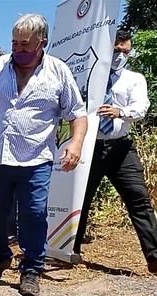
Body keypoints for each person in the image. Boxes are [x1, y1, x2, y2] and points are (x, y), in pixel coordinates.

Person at [0, 14, 88, 296]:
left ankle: (32, 270)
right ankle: (1, 256)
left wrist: (76, 142)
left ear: (42, 42)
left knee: (34, 214)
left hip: (36, 159)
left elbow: (78, 113)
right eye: (14, 43)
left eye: (25, 45)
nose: (18, 50)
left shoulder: (58, 71)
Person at [74, 31, 157, 273]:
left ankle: (154, 255)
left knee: (139, 199)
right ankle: (70, 251)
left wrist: (120, 112)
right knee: (81, 199)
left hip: (121, 148)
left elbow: (141, 107)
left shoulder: (134, 79)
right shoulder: (90, 78)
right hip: (91, 147)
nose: (121, 55)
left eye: (125, 52)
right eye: (116, 50)